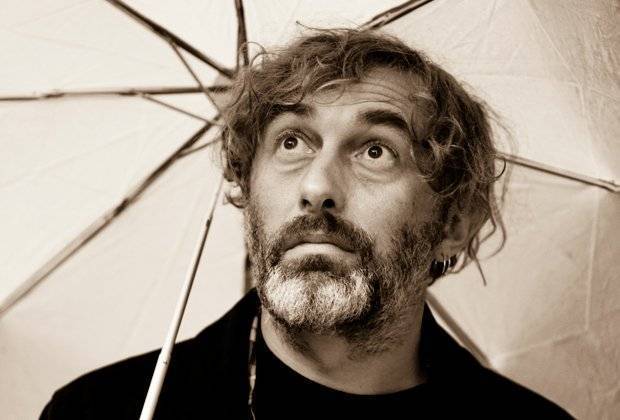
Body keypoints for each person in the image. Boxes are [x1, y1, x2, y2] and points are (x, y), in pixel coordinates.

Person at [40, 29, 570, 419]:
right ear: (245, 186)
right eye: (291, 142)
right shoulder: (101, 410)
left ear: (454, 222)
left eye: (376, 151)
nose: (317, 187)